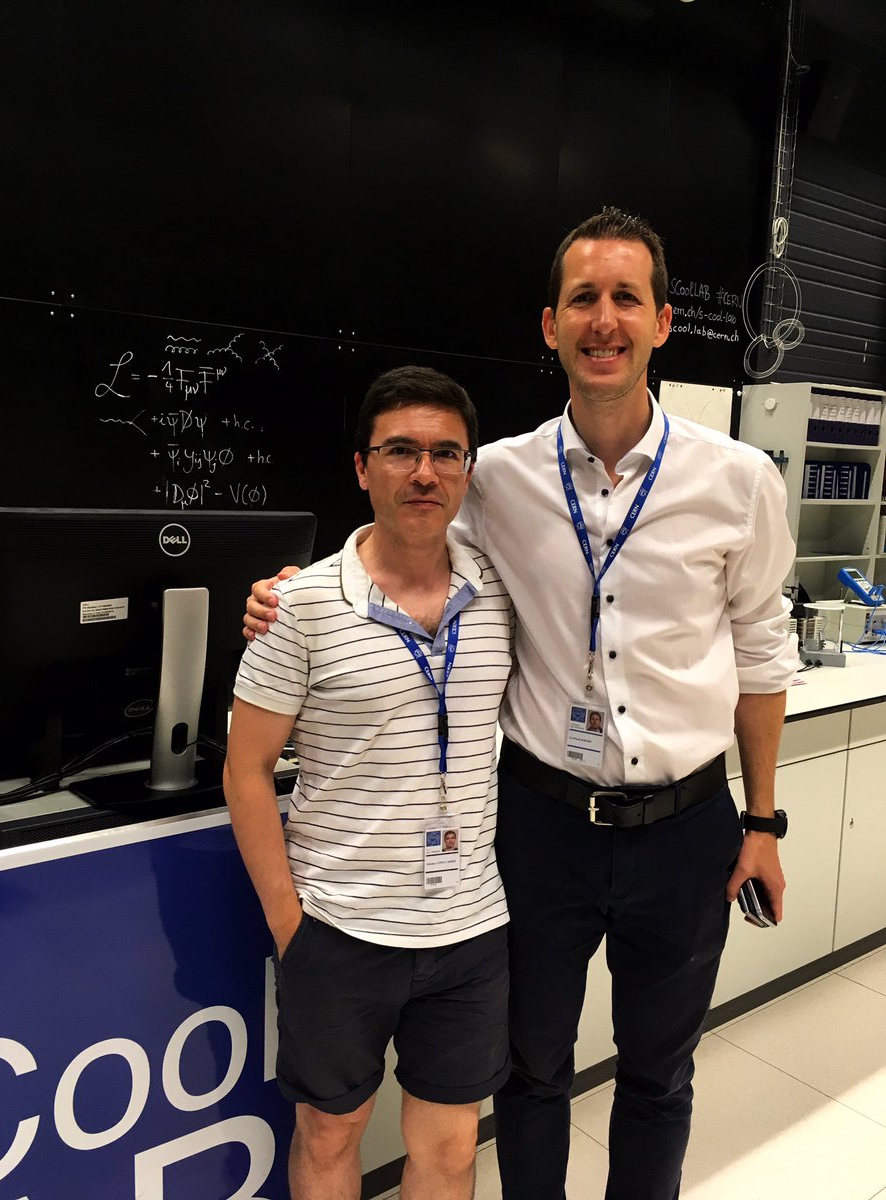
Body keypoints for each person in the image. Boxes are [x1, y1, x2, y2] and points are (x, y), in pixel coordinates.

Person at [244, 208, 797, 1200]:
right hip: (543, 828)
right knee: (532, 1073)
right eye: (583, 297)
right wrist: (294, 586)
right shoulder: (496, 477)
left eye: (626, 297)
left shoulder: (741, 481)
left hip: (687, 829)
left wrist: (761, 819)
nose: (604, 319)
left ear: (663, 322)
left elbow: (762, 653)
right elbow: (407, 537)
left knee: (659, 1075)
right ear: (551, 324)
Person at [224, 365, 514, 1200]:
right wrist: (291, 925)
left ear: (467, 469)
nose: (424, 472)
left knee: (454, 1146)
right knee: (329, 1134)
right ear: (362, 467)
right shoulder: (300, 607)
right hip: (339, 927)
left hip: (469, 928)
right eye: (400, 451)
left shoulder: (501, 589)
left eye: (446, 453)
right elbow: (245, 772)